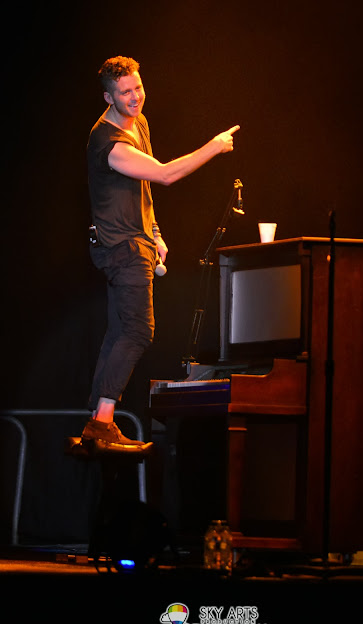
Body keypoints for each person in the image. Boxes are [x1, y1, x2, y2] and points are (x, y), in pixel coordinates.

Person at [80, 56, 240, 455]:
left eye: (138, 88)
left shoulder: (140, 122)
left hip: (136, 240)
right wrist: (215, 147)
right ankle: (101, 422)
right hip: (121, 248)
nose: (135, 97)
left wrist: (155, 231)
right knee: (138, 332)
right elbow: (166, 174)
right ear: (108, 97)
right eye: (124, 93)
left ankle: (99, 420)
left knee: (120, 331)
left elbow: (144, 187)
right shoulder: (109, 142)